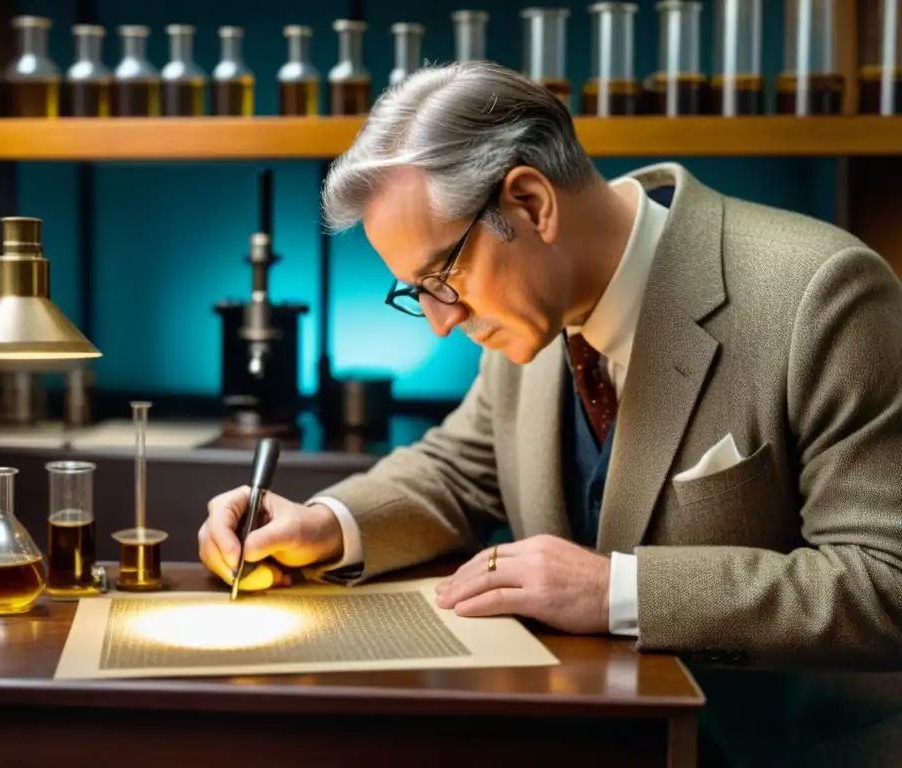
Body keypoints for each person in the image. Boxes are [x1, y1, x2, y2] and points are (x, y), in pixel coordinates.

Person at [199, 61, 902, 766]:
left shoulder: (821, 293)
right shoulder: (531, 311)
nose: (440, 324)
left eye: (441, 280)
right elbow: (454, 469)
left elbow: (885, 583)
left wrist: (619, 590)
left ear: (532, 204)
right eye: (416, 293)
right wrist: (323, 525)